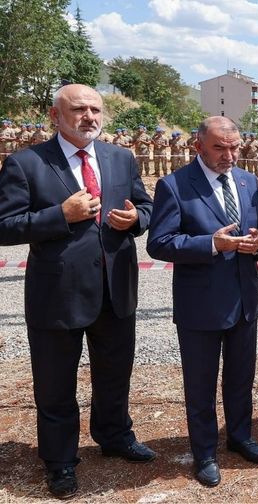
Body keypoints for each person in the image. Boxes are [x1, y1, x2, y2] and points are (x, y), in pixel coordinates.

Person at [0, 84, 155, 499]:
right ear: (55, 116)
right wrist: (59, 215)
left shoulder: (120, 157)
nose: (89, 116)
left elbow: (147, 206)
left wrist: (135, 218)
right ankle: (61, 460)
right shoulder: (25, 163)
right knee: (55, 384)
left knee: (114, 372)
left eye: (95, 109)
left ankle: (115, 436)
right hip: (57, 295)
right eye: (78, 109)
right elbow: (5, 225)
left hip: (115, 288)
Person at [146, 116, 258, 487]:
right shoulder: (174, 185)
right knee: (200, 385)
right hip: (200, 306)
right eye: (220, 147)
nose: (229, 155)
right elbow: (159, 243)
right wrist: (210, 244)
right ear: (198, 146)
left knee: (240, 379)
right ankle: (204, 453)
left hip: (244, 301)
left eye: (235, 147)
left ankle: (240, 437)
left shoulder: (248, 182)